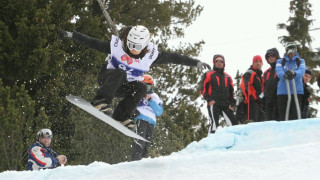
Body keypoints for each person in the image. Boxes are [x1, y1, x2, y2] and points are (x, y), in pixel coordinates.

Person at [59, 25, 210, 128]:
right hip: (107, 79)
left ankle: (121, 115)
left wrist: (195, 63)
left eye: (137, 47)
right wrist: (71, 35)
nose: (132, 49)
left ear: (144, 46)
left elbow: (174, 58)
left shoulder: (151, 56)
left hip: (124, 87)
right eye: (130, 44)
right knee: (120, 72)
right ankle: (100, 101)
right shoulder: (117, 46)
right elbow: (92, 42)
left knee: (142, 87)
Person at [200, 54, 238, 134]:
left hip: (226, 104)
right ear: (214, 62)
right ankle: (210, 143)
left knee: (234, 124)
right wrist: (209, 99)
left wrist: (232, 104)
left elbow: (231, 92)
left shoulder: (228, 77)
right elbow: (203, 88)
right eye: (217, 61)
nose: (219, 63)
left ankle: (236, 143)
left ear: (224, 63)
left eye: (221, 61)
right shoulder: (209, 74)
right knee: (214, 125)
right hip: (214, 103)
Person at [131, 75, 163, 161]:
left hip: (151, 122)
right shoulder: (137, 93)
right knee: (139, 142)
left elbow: (159, 112)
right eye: (144, 85)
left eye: (148, 86)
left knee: (146, 145)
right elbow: (130, 103)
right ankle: (135, 161)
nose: (146, 88)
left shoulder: (155, 96)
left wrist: (150, 100)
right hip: (141, 118)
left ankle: (143, 162)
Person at [275, 42, 305, 120]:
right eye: (289, 51)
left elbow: (302, 71)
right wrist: (284, 75)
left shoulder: (300, 61)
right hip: (283, 92)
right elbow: (279, 71)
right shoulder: (280, 61)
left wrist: (294, 74)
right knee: (283, 115)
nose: (291, 53)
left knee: (295, 115)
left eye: (293, 50)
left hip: (296, 91)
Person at [240, 55, 263, 123]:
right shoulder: (249, 73)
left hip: (259, 101)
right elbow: (244, 86)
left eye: (260, 61)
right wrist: (248, 98)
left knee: (259, 121)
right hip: (251, 101)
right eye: (256, 61)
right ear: (253, 63)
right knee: (252, 121)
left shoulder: (260, 75)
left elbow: (261, 89)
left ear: (262, 63)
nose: (258, 63)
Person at [262, 48, 280, 121]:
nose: (270, 58)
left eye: (272, 56)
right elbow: (263, 87)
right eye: (268, 56)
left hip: (278, 99)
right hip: (268, 101)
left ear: (276, 56)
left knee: (278, 121)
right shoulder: (266, 72)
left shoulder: (281, 68)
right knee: (269, 121)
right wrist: (263, 100)